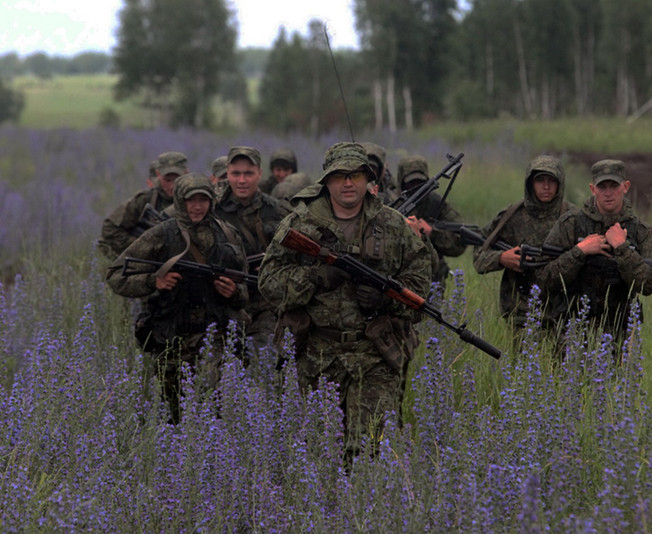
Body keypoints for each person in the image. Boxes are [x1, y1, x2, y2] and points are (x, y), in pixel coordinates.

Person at [258, 142, 431, 460]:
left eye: (355, 175)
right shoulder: (301, 224)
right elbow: (268, 282)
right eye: (340, 176)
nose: (348, 183)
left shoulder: (393, 225)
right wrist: (313, 278)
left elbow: (420, 290)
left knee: (373, 452)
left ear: (369, 179)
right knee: (319, 456)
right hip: (317, 358)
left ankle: (370, 509)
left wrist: (385, 299)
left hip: (375, 356)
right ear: (327, 181)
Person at [106, 173, 250, 423]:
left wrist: (234, 292)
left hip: (217, 337)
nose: (197, 206)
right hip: (173, 339)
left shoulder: (227, 234)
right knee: (174, 414)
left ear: (211, 202)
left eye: (203, 200)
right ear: (180, 201)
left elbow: (245, 287)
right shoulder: (163, 234)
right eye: (190, 200)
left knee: (218, 410)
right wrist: (154, 281)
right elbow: (116, 275)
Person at [537, 159, 652, 349]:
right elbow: (544, 278)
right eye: (602, 186)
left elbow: (650, 284)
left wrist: (622, 249)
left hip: (620, 334)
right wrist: (579, 252)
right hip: (572, 333)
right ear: (592, 189)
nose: (608, 192)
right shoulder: (570, 224)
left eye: (613, 186)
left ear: (625, 186)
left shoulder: (640, 231)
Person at [473, 155, 577, 333]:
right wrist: (501, 258)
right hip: (521, 313)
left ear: (560, 183)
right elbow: (479, 257)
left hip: (564, 313)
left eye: (551, 180)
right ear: (530, 184)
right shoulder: (511, 216)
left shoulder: (573, 217)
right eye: (540, 181)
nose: (546, 187)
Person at [214, 146, 289, 351]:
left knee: (264, 365)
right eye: (235, 173)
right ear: (227, 173)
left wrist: (272, 267)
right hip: (222, 306)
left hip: (265, 306)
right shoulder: (211, 208)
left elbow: (299, 258)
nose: (242, 180)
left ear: (259, 174)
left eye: (248, 173)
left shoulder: (277, 210)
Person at [99, 151, 188, 260]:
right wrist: (142, 247)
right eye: (167, 180)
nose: (172, 186)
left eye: (177, 180)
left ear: (186, 173)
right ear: (158, 174)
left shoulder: (196, 199)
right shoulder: (145, 199)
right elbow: (110, 228)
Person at [396, 155, 466, 286]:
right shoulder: (392, 204)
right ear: (401, 182)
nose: (416, 187)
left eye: (420, 182)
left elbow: (459, 244)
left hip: (432, 280)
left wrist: (432, 233)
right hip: (397, 278)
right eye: (411, 183)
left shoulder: (436, 204)